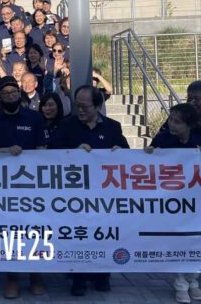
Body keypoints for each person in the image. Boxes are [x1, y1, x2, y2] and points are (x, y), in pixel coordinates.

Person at [50, 86, 129, 296]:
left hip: (104, 194)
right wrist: (72, 153)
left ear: (98, 106)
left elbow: (127, 154)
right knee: (79, 235)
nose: (80, 110)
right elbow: (51, 154)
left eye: (85, 106)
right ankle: (78, 278)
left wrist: (119, 152)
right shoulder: (66, 125)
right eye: (77, 105)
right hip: (75, 194)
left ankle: (103, 275)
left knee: (103, 234)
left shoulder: (112, 127)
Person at [0, 76, 46, 299]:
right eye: (6, 94)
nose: (10, 96)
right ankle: (13, 277)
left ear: (20, 94)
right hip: (3, 187)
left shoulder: (34, 118)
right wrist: (6, 152)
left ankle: (36, 275)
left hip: (32, 186)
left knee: (35, 231)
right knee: (11, 233)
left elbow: (42, 150)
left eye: (14, 92)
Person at [145, 103, 201, 304]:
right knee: (178, 240)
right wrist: (150, 152)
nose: (172, 124)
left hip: (196, 201)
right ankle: (180, 283)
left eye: (177, 122)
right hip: (171, 200)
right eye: (171, 119)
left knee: (196, 241)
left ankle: (194, 281)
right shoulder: (163, 139)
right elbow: (150, 160)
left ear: (189, 124)